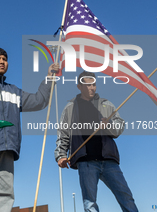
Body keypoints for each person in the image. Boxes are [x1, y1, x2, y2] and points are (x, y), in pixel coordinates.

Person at [0, 47, 59, 212]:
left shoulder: (14, 91)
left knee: (5, 195)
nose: (2, 62)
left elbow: (39, 101)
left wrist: (50, 77)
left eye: (5, 59)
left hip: (7, 148)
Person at [54, 71, 138, 212]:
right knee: (90, 204)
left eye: (93, 84)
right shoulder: (70, 108)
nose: (91, 88)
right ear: (79, 86)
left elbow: (119, 128)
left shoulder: (106, 104)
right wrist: (61, 154)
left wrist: (109, 125)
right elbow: (63, 133)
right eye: (87, 85)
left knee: (126, 197)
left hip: (109, 160)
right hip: (85, 161)